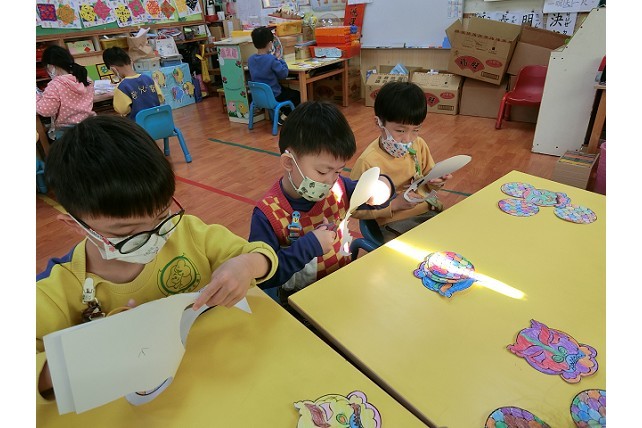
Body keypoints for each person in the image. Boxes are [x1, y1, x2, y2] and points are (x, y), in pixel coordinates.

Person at [36, 115, 278, 403]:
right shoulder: (57, 290)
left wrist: (245, 265)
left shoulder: (187, 233)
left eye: (162, 216)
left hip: (216, 383)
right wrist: (90, 349)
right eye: (127, 232)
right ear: (76, 225)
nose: (153, 237)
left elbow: (262, 255)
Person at [249, 101, 393, 307]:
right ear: (289, 163)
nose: (330, 180)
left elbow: (372, 194)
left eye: (338, 171)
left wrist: (383, 187)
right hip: (298, 303)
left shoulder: (340, 188)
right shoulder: (267, 214)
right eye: (322, 171)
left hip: (340, 288)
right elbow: (263, 277)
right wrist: (309, 247)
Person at [350, 81, 453, 242]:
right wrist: (394, 205)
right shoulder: (368, 162)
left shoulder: (419, 145)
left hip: (428, 211)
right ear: (379, 123)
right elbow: (354, 209)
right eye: (400, 130)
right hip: (393, 223)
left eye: (416, 130)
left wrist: (437, 181)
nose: (407, 139)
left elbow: (428, 183)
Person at [36, 45, 96, 140]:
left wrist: (36, 98)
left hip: (67, 132)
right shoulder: (85, 78)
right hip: (90, 125)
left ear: (50, 66)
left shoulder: (55, 85)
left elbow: (46, 111)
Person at [248, 26, 300, 124]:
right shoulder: (271, 59)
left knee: (284, 89)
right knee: (296, 95)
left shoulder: (250, 59)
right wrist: (281, 60)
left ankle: (280, 113)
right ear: (270, 44)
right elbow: (284, 74)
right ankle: (284, 117)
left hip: (258, 97)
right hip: (274, 95)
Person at [102, 47, 164, 120]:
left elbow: (122, 110)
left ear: (113, 69)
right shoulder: (148, 79)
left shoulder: (121, 87)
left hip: (137, 125)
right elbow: (161, 99)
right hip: (159, 121)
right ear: (131, 61)